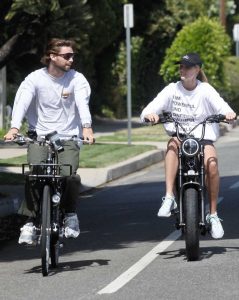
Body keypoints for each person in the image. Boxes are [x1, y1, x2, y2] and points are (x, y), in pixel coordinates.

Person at [4, 38, 94, 244]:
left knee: (69, 176)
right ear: (52, 56)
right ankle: (30, 220)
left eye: (73, 56)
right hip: (40, 135)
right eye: (66, 56)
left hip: (68, 136)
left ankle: (70, 215)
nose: (71, 59)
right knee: (34, 173)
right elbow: (22, 102)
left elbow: (82, 103)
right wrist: (14, 127)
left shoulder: (77, 79)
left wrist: (86, 127)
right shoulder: (35, 79)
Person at [140, 52, 236, 239]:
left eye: (187, 67)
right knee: (172, 145)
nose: (182, 69)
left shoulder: (206, 90)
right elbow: (147, 111)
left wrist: (229, 114)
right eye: (181, 66)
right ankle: (169, 197)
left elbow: (223, 107)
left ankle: (213, 214)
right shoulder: (171, 90)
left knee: (212, 164)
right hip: (180, 137)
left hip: (203, 138)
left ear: (197, 70)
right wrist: (150, 115)